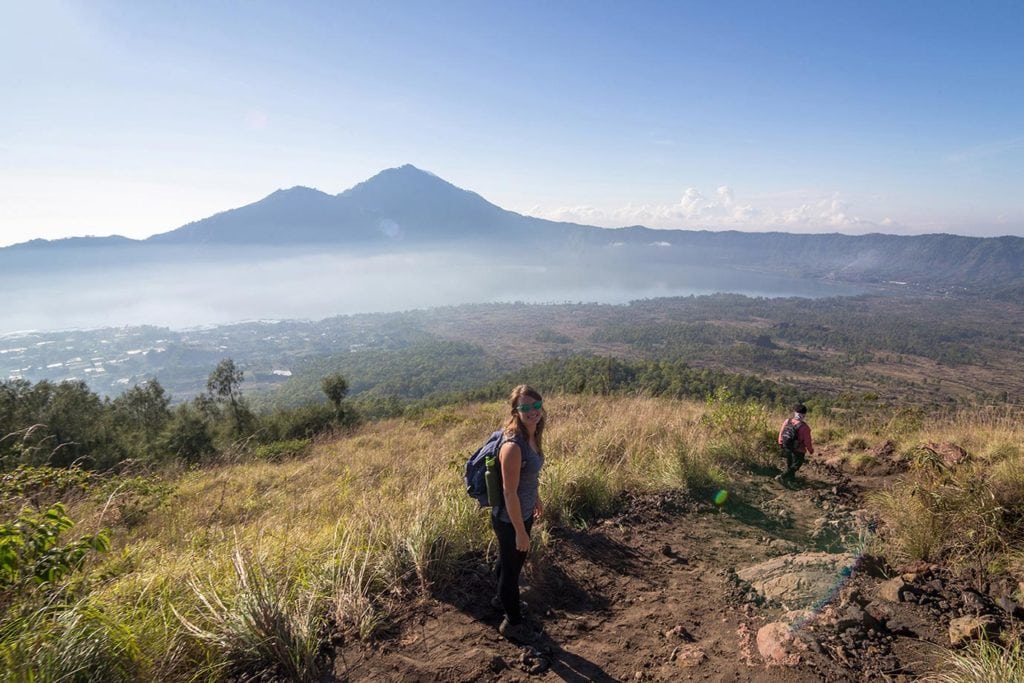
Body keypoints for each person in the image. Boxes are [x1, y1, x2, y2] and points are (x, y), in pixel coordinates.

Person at [491, 384, 545, 644]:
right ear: (515, 410)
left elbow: (528, 476)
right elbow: (509, 492)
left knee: (508, 562)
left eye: (536, 405)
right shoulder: (513, 445)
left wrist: (536, 497)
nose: (533, 411)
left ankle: (499, 599)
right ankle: (512, 623)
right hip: (510, 519)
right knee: (513, 572)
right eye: (526, 407)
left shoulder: (533, 434)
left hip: (522, 513)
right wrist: (521, 532)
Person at [776, 403, 814, 486]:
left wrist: (780, 442)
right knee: (796, 466)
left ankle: (790, 481)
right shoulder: (805, 427)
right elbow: (807, 441)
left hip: (787, 446)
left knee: (790, 465)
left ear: (795, 412)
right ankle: (782, 477)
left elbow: (781, 432)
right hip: (799, 450)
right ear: (804, 414)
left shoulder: (787, 421)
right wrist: (810, 450)